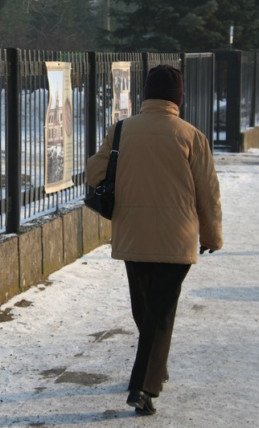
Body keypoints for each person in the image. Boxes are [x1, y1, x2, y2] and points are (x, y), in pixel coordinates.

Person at [86, 64, 223, 416]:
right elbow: (208, 194)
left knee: (146, 308)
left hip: (133, 235)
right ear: (179, 97)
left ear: (146, 94)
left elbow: (93, 171)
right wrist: (212, 237)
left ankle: (152, 372)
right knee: (158, 314)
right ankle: (144, 385)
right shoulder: (192, 136)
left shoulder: (122, 131)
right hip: (177, 240)